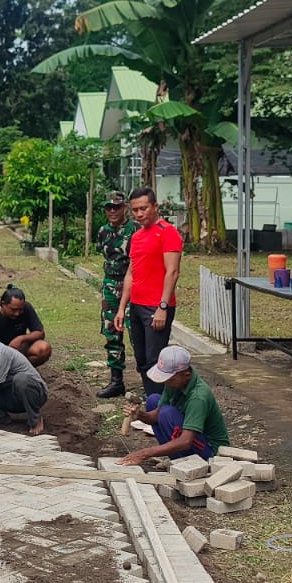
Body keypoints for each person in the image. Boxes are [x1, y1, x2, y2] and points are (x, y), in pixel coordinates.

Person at [114, 187, 183, 398]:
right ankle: (152, 401)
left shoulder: (168, 232)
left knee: (156, 361)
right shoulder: (137, 236)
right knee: (142, 359)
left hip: (156, 306)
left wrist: (162, 307)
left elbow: (172, 272)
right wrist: (122, 308)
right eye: (135, 210)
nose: (139, 214)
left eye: (143, 208)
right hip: (136, 306)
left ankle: (161, 408)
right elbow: (130, 274)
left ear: (155, 206)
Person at [118, 346, 229, 466]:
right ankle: (176, 459)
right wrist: (139, 414)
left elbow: (186, 441)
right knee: (153, 400)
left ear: (186, 375)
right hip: (194, 439)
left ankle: (186, 464)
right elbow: (155, 416)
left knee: (166, 414)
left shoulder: (198, 397)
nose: (166, 382)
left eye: (169, 379)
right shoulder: (175, 382)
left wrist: (145, 453)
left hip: (212, 453)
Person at [94, 190, 137, 399]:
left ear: (125, 208)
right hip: (110, 284)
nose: (112, 211)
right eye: (108, 207)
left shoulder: (134, 230)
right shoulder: (102, 231)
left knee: (137, 334)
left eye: (116, 207)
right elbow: (103, 253)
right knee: (112, 332)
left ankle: (149, 380)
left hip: (133, 284)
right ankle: (116, 381)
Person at [0, 285, 52, 368]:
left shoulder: (26, 308)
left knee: (43, 348)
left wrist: (20, 339)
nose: (17, 313)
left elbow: (40, 333)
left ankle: (22, 368)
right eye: (13, 310)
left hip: (19, 349)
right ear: (3, 304)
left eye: (20, 309)